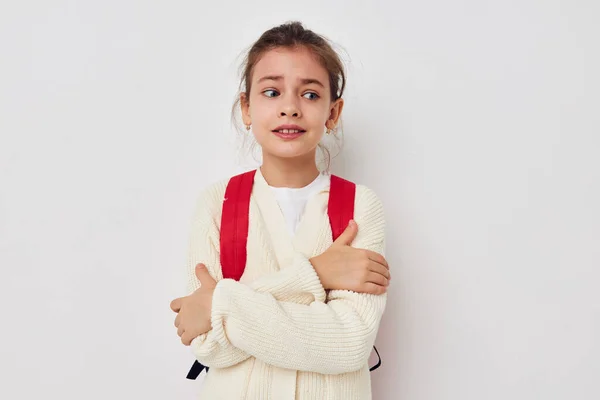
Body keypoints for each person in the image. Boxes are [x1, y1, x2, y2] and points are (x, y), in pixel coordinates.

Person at [170, 21, 391, 400]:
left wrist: (221, 303)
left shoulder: (358, 207)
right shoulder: (217, 203)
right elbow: (208, 345)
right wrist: (317, 274)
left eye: (309, 94)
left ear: (332, 113)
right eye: (271, 92)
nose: (289, 107)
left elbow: (349, 342)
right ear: (247, 107)